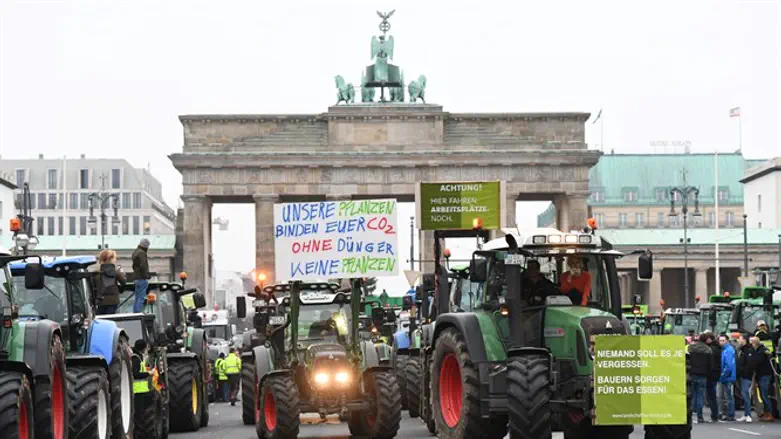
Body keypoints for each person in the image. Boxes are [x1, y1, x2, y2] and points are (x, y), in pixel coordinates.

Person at [688, 332, 715, 423]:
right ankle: (700, 417)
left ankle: (689, 416)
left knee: (691, 396)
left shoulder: (691, 348)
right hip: (703, 375)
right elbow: (711, 366)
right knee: (700, 396)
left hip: (692, 374)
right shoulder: (708, 350)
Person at [750, 336, 774, 422]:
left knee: (764, 394)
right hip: (761, 375)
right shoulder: (760, 350)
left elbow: (757, 362)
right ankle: (766, 412)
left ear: (755, 343)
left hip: (764, 375)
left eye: (751, 343)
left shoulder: (761, 351)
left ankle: (769, 413)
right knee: (762, 394)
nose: (750, 345)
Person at [96, 249, 126, 315]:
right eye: (115, 258)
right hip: (113, 301)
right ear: (111, 259)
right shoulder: (116, 272)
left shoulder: (97, 272)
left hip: (101, 301)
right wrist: (122, 275)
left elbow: (94, 287)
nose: (115, 260)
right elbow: (123, 282)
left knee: (101, 322)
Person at [736, 334, 757, 422]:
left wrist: (743, 372)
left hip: (745, 376)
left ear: (744, 340)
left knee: (745, 394)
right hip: (741, 375)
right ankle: (745, 414)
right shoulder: (743, 349)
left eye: (739, 338)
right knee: (744, 394)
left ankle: (748, 414)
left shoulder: (748, 350)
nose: (738, 340)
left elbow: (750, 364)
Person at [718, 334, 736, 422]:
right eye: (720, 340)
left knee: (728, 397)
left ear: (727, 341)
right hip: (726, 376)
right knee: (724, 396)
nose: (721, 342)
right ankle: (725, 414)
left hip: (727, 377)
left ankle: (730, 415)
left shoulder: (728, 350)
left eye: (723, 340)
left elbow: (728, 366)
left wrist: (722, 376)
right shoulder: (725, 350)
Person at [704, 332, 721, 422]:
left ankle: (714, 415)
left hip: (711, 374)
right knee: (712, 395)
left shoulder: (711, 349)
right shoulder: (716, 348)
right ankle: (715, 414)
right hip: (715, 374)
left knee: (711, 396)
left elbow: (711, 364)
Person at [132, 238, 151, 313]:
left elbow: (134, 266)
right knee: (141, 297)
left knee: (137, 297)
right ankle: (138, 312)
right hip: (141, 278)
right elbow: (143, 266)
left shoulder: (135, 252)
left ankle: (135, 312)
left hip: (136, 278)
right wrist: (147, 275)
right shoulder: (142, 253)